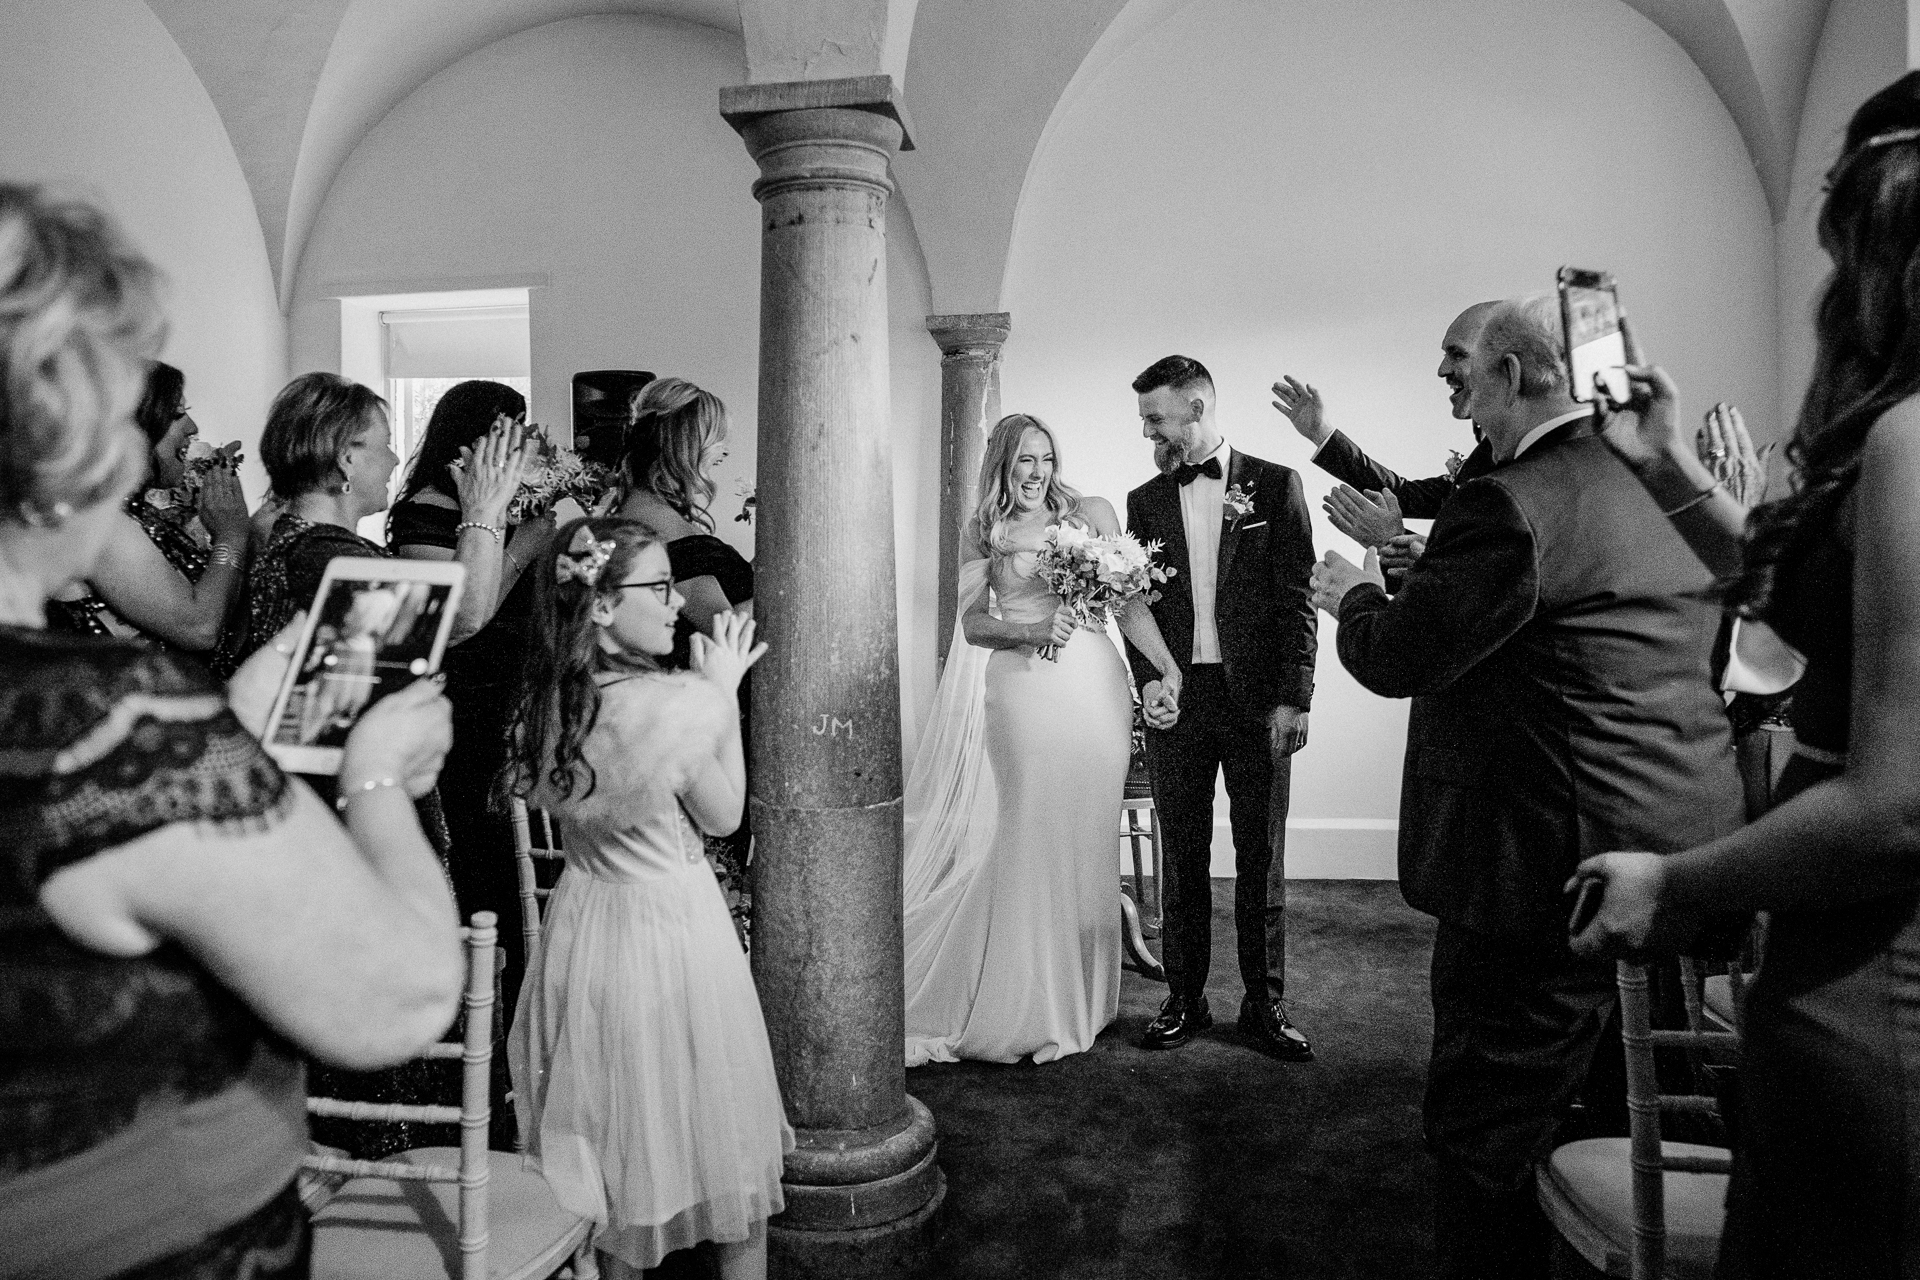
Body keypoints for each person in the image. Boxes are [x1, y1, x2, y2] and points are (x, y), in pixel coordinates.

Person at [0, 185, 463, 1279]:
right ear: (70, 448)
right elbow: (394, 994)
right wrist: (377, 782)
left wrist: (240, 726)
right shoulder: (99, 720)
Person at [1308, 295, 1744, 1280]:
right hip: (1677, 850)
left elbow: (1405, 653)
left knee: (1486, 1132)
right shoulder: (1657, 478)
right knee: (1626, 1099)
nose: (1444, 375)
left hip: (1547, 865)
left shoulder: (1512, 498)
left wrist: (1357, 595)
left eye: (1457, 357)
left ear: (1516, 370)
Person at [1568, 70, 1920, 1279]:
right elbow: (1811, 607)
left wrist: (1672, 874)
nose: (1828, 288)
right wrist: (1664, 461)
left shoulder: (1913, 436)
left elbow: (1894, 805)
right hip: (1830, 972)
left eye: (1842, 245)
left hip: (1877, 989)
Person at [237, 369, 524, 1157]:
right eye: (381, 442)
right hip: (346, 829)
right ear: (338, 459)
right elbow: (463, 616)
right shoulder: (325, 557)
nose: (397, 458)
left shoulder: (284, 540)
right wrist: (488, 511)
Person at [504, 518, 789, 1280]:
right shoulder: (669, 705)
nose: (674, 603)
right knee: (729, 1161)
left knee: (612, 1163)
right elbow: (726, 814)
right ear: (599, 604)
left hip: (586, 927)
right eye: (657, 588)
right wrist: (720, 694)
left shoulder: (546, 701)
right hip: (671, 931)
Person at [901, 413, 1184, 1065]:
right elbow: (972, 624)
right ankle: (1025, 1003)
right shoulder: (985, 530)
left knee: (1087, 837)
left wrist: (1165, 665)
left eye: (1046, 459)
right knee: (1030, 830)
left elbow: (1128, 603)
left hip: (1095, 687)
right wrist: (1030, 632)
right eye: (1025, 460)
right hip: (1024, 690)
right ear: (1002, 463)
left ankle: (1084, 999)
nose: (1037, 473)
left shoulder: (1092, 511)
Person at [1126, 356, 1318, 1059]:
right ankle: (1185, 999)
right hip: (1181, 699)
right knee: (1182, 853)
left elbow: (1297, 597)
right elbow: (1133, 602)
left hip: (1258, 700)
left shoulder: (1276, 485)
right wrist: (1151, 681)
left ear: (1199, 407)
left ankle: (1265, 1006)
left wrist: (1295, 696)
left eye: (1157, 417)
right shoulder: (1143, 498)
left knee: (1260, 854)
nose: (1148, 430)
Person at [390, 379, 557, 1018]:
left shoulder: (507, 508)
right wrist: (519, 549)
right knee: (484, 863)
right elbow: (459, 618)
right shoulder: (421, 515)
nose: (519, 444)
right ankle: (484, 1018)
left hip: (515, 694)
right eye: (507, 431)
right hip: (464, 700)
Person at [615, 377, 755, 940]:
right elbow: (727, 629)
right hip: (693, 711)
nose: (723, 446)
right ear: (683, 442)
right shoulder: (659, 528)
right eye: (714, 435)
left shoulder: (646, 511)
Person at [46, 358, 253, 665]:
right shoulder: (99, 522)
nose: (192, 429)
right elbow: (200, 628)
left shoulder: (139, 513)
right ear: (135, 425)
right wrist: (231, 535)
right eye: (176, 415)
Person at [1271, 302, 1498, 582]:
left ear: (1503, 362)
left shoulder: (1530, 461)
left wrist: (1390, 539)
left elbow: (1490, 574)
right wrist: (1321, 433)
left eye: (1457, 354)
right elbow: (1403, 495)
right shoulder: (1490, 452)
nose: (1442, 369)